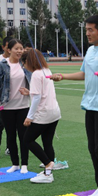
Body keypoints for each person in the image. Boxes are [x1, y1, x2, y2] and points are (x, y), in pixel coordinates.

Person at [51, 15, 98, 196]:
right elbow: (84, 74)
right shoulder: (90, 50)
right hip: (90, 105)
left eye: (91, 30)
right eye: (86, 30)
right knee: (92, 147)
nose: (87, 33)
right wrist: (63, 76)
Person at [20, 49, 62, 184]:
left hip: (43, 114)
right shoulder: (46, 70)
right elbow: (40, 93)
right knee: (47, 142)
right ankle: (48, 173)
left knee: (27, 140)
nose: (23, 65)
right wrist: (30, 92)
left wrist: (29, 117)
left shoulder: (36, 74)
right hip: (54, 112)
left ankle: (48, 164)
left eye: (24, 62)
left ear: (28, 61)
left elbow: (37, 98)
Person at [0, 39, 31, 173]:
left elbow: (34, 82)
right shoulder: (2, 65)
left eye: (21, 48)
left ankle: (24, 164)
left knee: (23, 136)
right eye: (16, 48)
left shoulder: (26, 65)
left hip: (23, 106)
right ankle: (15, 164)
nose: (20, 51)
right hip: (6, 107)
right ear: (9, 50)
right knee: (10, 135)